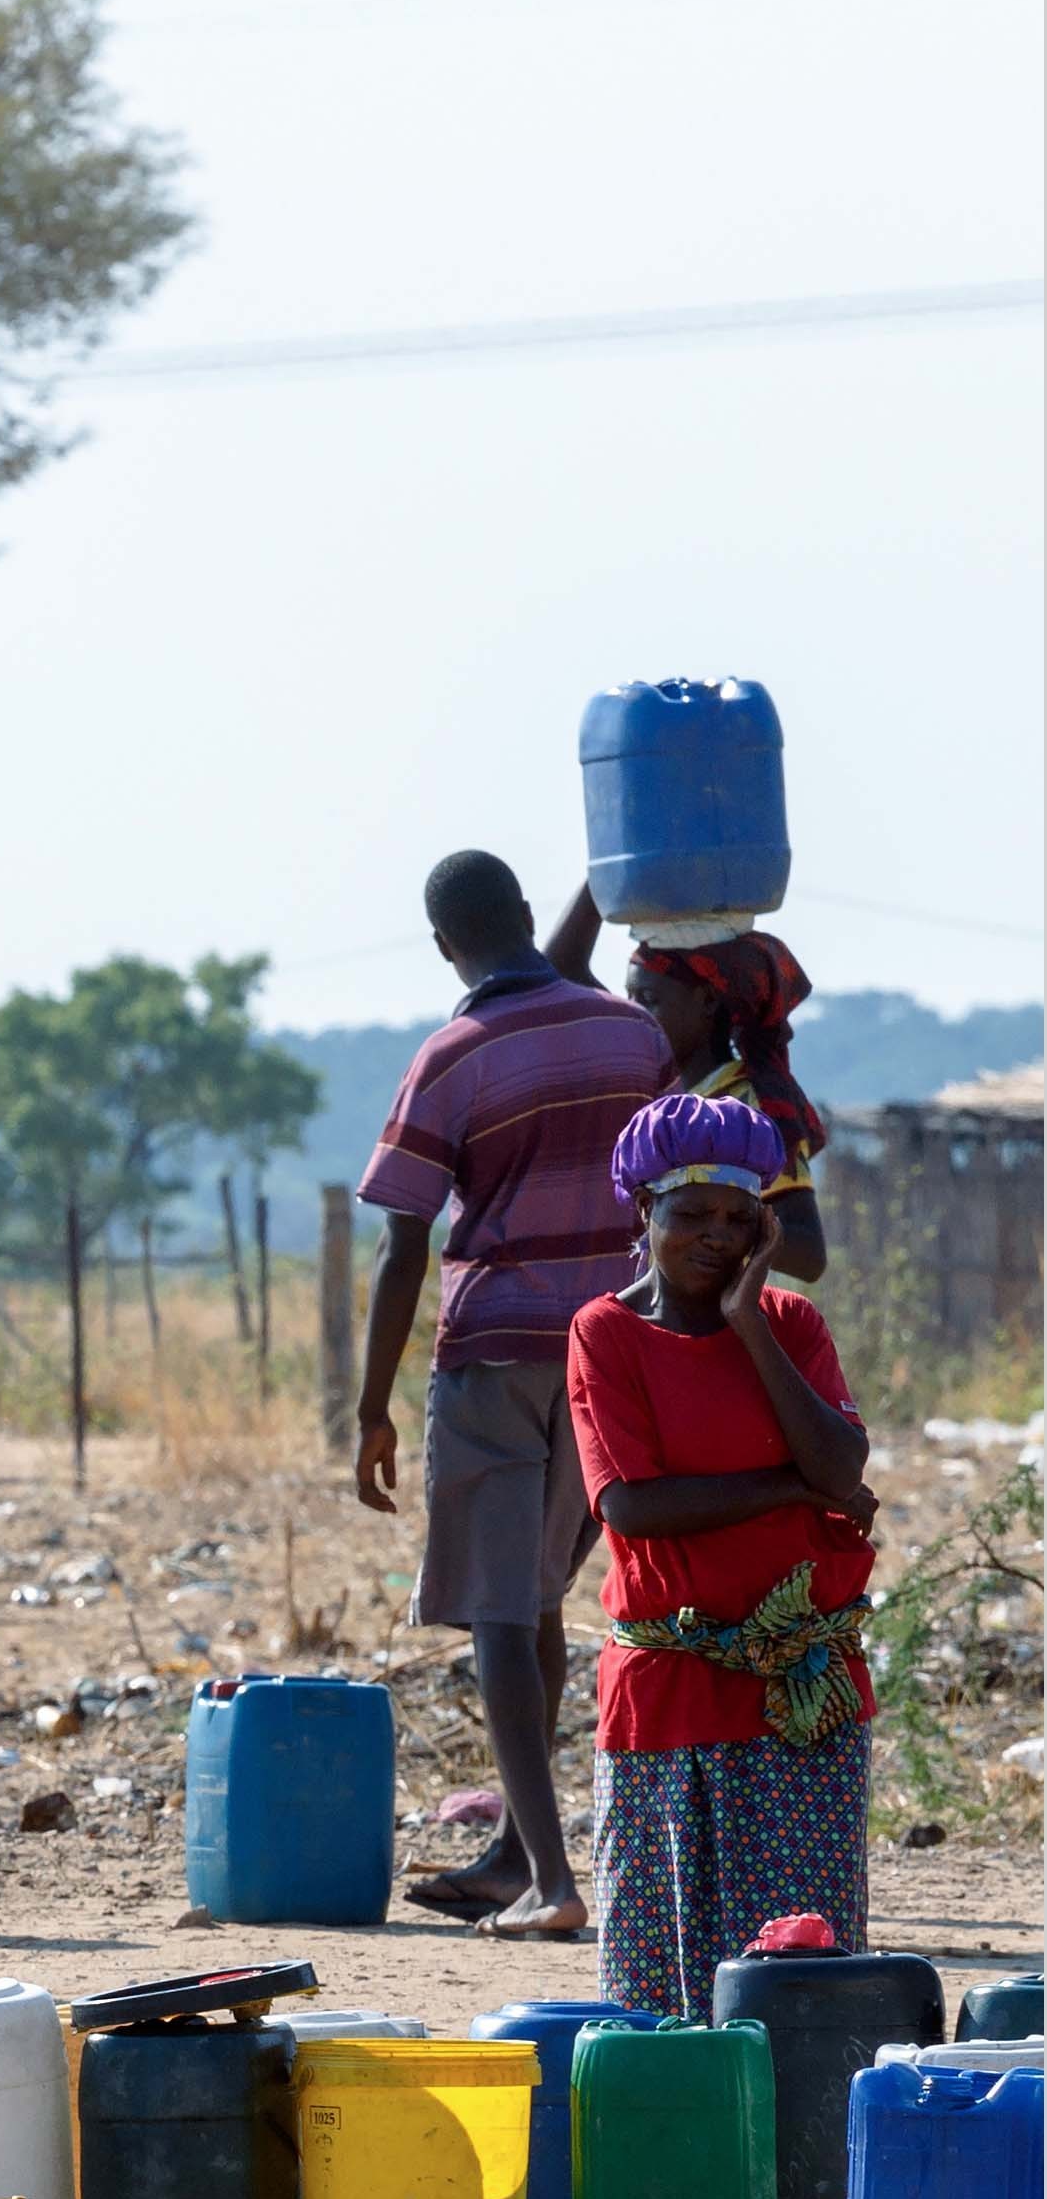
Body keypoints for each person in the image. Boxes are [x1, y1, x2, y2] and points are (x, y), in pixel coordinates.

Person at [351, 848, 677, 1941]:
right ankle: (513, 1857)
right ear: (527, 915)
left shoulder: (451, 1058)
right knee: (533, 1595)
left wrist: (369, 1406)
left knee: (498, 1609)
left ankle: (551, 1878)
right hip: (609, 1345)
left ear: (445, 945)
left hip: (494, 1349)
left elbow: (404, 1239)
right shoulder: (632, 1035)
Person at [563, 1095, 881, 2021]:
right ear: (642, 1213)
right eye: (690, 1214)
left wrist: (749, 1323)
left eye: (738, 1219)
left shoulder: (788, 1325)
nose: (714, 1236)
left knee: (804, 1968)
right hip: (670, 1687)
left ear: (764, 1229)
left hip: (800, 1692)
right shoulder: (603, 1333)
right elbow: (632, 1506)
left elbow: (841, 1465)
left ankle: (799, 2158)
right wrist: (789, 1489)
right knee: (659, 1980)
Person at [548, 885, 831, 1281]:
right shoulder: (664, 1093)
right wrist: (602, 877)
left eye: (648, 998)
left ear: (707, 1002)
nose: (635, 1013)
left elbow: (807, 1252)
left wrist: (696, 1225)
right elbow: (558, 971)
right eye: (630, 998)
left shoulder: (748, 1106)